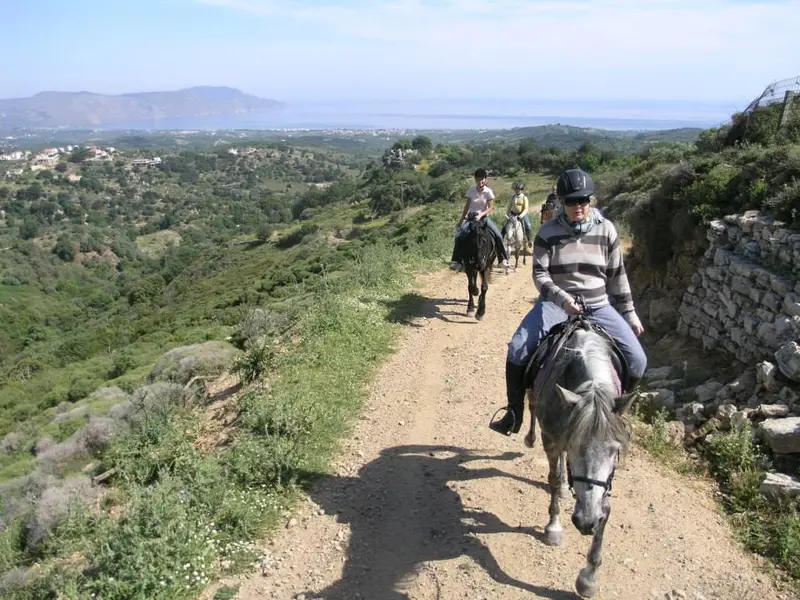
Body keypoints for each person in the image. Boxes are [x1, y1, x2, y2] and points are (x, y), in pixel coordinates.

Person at [489, 167, 648, 437]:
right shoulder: (548, 232)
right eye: (572, 201)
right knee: (517, 349)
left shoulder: (607, 230)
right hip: (555, 306)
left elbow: (617, 276)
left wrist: (630, 314)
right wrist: (563, 300)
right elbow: (540, 274)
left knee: (638, 360)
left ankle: (616, 415)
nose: (578, 206)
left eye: (584, 200)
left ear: (591, 200)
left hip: (598, 305)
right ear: (562, 202)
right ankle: (514, 414)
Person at [449, 168, 510, 271]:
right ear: (475, 180)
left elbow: (491, 207)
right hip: (471, 217)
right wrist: (460, 221)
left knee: (498, 235)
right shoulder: (471, 191)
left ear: (485, 180)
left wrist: (481, 214)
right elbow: (466, 207)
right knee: (459, 235)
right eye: (478, 179)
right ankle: (456, 260)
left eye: (482, 179)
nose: (480, 181)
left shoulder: (488, 192)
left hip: (484, 218)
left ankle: (502, 259)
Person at [501, 182, 533, 248]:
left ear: (521, 190)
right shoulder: (513, 197)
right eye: (516, 189)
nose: (517, 190)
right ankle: (501, 238)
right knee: (505, 224)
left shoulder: (524, 197)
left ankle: (530, 240)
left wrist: (521, 215)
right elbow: (509, 207)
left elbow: (526, 208)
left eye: (519, 189)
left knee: (528, 225)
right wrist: (506, 215)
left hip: (522, 215)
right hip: (513, 214)